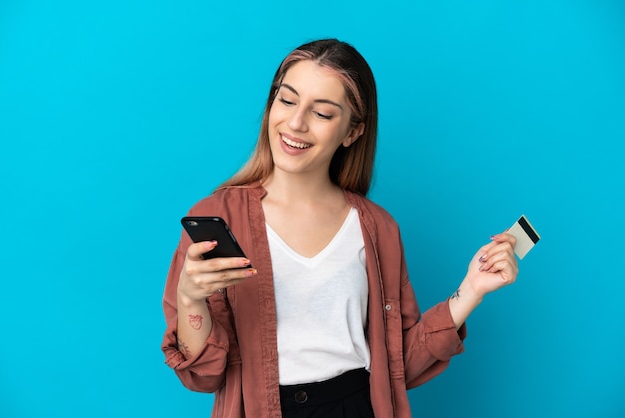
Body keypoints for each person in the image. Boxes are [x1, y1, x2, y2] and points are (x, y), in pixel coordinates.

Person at [161, 38, 518, 418]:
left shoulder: (378, 228)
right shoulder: (219, 216)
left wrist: (473, 289)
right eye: (287, 100)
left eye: (323, 113)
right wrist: (189, 298)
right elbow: (203, 375)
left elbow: (397, 367)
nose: (295, 123)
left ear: (352, 132)